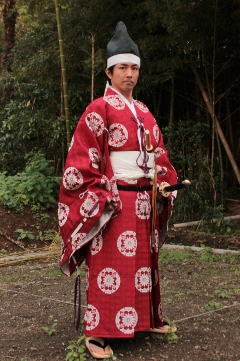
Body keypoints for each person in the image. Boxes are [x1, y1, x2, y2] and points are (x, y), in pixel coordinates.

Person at [58, 21, 178, 359]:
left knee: (143, 267)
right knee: (112, 269)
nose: (129, 73)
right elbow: (81, 161)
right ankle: (97, 334)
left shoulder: (144, 113)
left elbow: (160, 155)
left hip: (144, 202)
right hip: (114, 203)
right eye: (122, 67)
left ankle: (146, 320)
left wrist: (165, 181)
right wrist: (101, 195)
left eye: (134, 67)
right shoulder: (99, 109)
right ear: (109, 72)